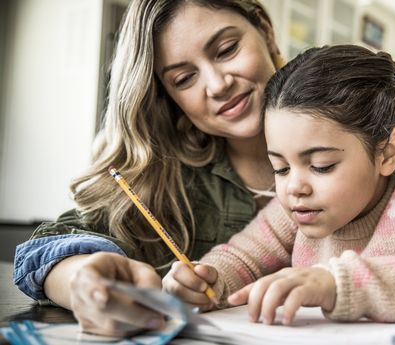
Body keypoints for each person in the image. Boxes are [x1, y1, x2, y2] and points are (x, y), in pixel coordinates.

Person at [163, 45, 395, 325]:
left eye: (322, 166)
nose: (295, 187)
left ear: (387, 152)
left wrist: (339, 282)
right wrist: (206, 280)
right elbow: (239, 259)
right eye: (279, 168)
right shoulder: (294, 211)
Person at [13, 0, 284, 336]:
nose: (217, 85)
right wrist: (84, 283)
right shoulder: (168, 182)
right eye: (184, 78)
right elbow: (43, 250)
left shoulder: (358, 125)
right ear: (168, 94)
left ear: (266, 31)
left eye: (227, 50)